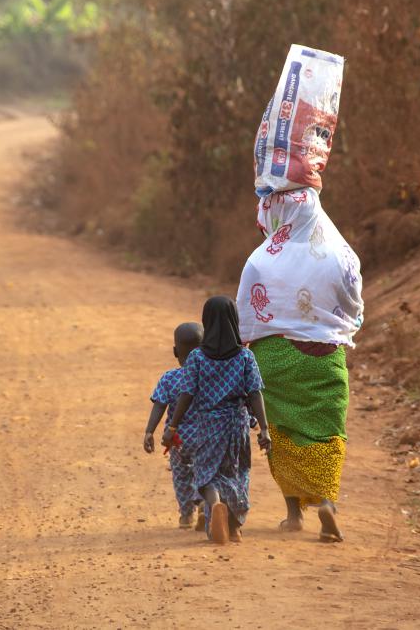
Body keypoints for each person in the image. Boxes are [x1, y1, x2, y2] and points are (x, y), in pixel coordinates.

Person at [237, 188, 364, 543]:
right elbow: (353, 303)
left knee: (282, 431)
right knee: (326, 427)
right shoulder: (339, 254)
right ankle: (325, 501)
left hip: (274, 357)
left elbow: (245, 312)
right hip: (326, 355)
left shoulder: (261, 260)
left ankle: (293, 514)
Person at [162, 296, 272, 545]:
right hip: (237, 423)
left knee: (207, 473)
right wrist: (264, 428)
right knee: (237, 472)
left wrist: (173, 426)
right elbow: (255, 393)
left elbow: (186, 394)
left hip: (208, 423)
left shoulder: (197, 358)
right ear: (235, 320)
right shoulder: (245, 357)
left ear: (207, 322)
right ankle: (234, 528)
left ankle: (214, 502)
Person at [143, 322, 206, 529]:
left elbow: (159, 405)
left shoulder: (170, 378)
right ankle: (204, 504)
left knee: (181, 475)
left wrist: (149, 431)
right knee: (203, 470)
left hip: (177, 438)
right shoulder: (208, 376)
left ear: (175, 351)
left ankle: (186, 515)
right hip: (205, 436)